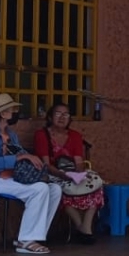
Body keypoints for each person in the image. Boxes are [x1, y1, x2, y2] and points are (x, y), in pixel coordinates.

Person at [0, 93, 62, 254]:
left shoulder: (11, 134)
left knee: (55, 189)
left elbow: (18, 155)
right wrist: (21, 156)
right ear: (2, 113)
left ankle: (32, 236)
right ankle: (25, 241)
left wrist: (27, 159)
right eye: (11, 109)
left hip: (13, 177)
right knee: (40, 189)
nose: (14, 113)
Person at [34, 102, 103, 245]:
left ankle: (86, 227)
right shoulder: (42, 135)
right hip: (53, 173)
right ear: (50, 117)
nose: (62, 117)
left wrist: (78, 174)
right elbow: (46, 164)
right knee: (60, 189)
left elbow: (78, 161)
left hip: (72, 173)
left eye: (66, 114)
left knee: (95, 183)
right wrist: (62, 174)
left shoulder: (75, 135)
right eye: (58, 114)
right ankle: (82, 228)